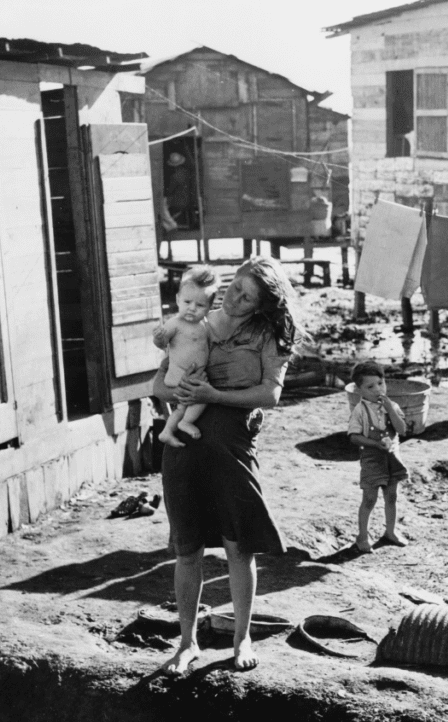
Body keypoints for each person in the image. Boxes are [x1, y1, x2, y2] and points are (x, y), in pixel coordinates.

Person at [152, 256, 306, 674]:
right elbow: (156, 382)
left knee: (239, 548)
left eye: (248, 297)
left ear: (262, 305)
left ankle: (242, 637)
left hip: (233, 448)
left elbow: (269, 395)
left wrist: (216, 396)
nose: (236, 299)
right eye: (235, 287)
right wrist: (175, 388)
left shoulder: (267, 334)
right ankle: (187, 643)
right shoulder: (195, 318)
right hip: (184, 444)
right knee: (188, 549)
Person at [347, 361, 409, 553]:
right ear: (359, 389)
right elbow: (353, 437)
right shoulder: (360, 410)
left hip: (392, 458)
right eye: (370, 386)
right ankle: (362, 536)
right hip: (372, 458)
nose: (377, 390)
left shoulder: (393, 406)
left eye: (380, 384)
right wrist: (374, 444)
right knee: (370, 498)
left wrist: (391, 409)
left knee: (391, 496)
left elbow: (402, 430)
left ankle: (390, 531)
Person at [153, 266, 218, 446]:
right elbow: (162, 344)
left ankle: (167, 431)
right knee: (199, 400)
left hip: (191, 376)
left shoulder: (205, 325)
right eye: (187, 302)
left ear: (209, 307)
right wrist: (159, 339)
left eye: (200, 305)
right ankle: (186, 422)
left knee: (182, 407)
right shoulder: (175, 323)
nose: (192, 308)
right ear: (177, 300)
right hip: (179, 375)